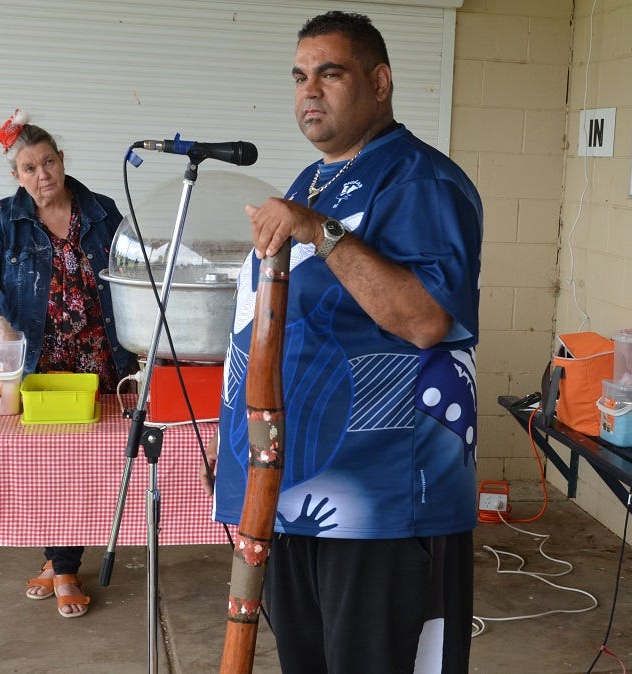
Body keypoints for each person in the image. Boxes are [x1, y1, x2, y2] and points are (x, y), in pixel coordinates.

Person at [205, 11, 482, 673]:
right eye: (300, 76)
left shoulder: (421, 181)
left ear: (379, 82)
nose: (310, 90)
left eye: (330, 74)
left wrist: (322, 233)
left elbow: (427, 319)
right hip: (295, 491)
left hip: (383, 500)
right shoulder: (311, 180)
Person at [0, 112, 135, 618]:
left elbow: (131, 274)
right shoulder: (5, 218)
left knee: (85, 468)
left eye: (49, 162)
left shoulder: (101, 211)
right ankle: (61, 563)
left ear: (61, 160)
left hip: (101, 360)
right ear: (16, 175)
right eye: (29, 168)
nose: (43, 175)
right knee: (47, 470)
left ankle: (61, 565)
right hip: (40, 364)